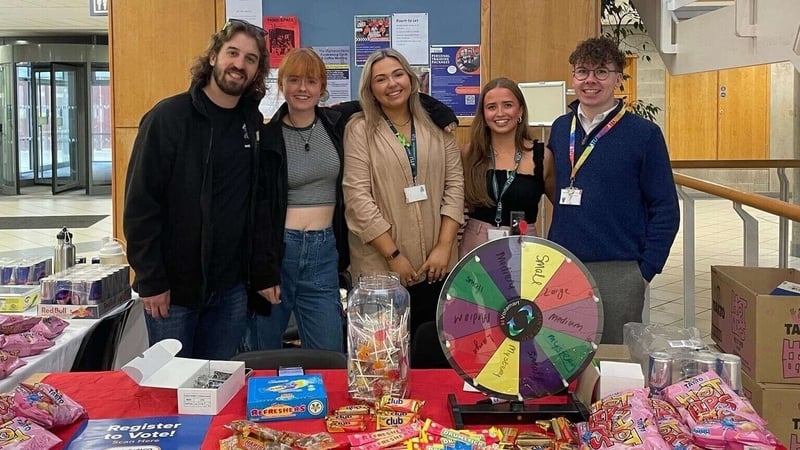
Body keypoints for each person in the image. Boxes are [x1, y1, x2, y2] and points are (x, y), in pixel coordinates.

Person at [246, 48, 459, 353]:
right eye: (293, 80)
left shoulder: (338, 122)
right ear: (281, 84)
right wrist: (262, 270)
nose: (302, 89)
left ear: (323, 86)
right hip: (280, 251)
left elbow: (395, 97)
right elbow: (259, 208)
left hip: (324, 253)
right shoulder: (267, 138)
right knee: (263, 350)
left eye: (311, 81)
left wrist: (442, 111)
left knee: (331, 352)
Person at [123, 19, 270, 359]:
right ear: (214, 57)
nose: (239, 64)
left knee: (217, 389)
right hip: (174, 293)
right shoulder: (168, 118)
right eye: (232, 53)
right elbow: (140, 207)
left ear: (257, 70)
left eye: (250, 59)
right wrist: (151, 281)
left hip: (231, 291)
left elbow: (256, 202)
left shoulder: (251, 122)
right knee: (170, 394)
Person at [547, 37, 680, 344]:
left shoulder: (643, 135)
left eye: (601, 72)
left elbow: (665, 208)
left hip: (619, 270)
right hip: (563, 265)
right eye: (582, 72)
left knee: (612, 367)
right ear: (573, 77)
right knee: (562, 356)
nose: (590, 80)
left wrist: (645, 271)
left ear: (619, 79)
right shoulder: (559, 128)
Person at [342, 48, 464, 345]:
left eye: (398, 74)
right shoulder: (359, 129)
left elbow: (455, 186)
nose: (392, 84)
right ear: (370, 89)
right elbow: (358, 198)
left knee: (434, 355)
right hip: (380, 269)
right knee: (383, 357)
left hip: (437, 264)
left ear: (411, 79)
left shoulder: (438, 126)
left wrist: (444, 247)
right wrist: (393, 256)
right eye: (380, 79)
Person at [459, 77, 555, 258]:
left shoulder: (542, 156)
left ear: (520, 111)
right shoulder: (469, 154)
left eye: (508, 105)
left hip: (524, 246)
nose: (500, 113)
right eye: (491, 107)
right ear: (484, 115)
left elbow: (562, 208)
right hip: (475, 249)